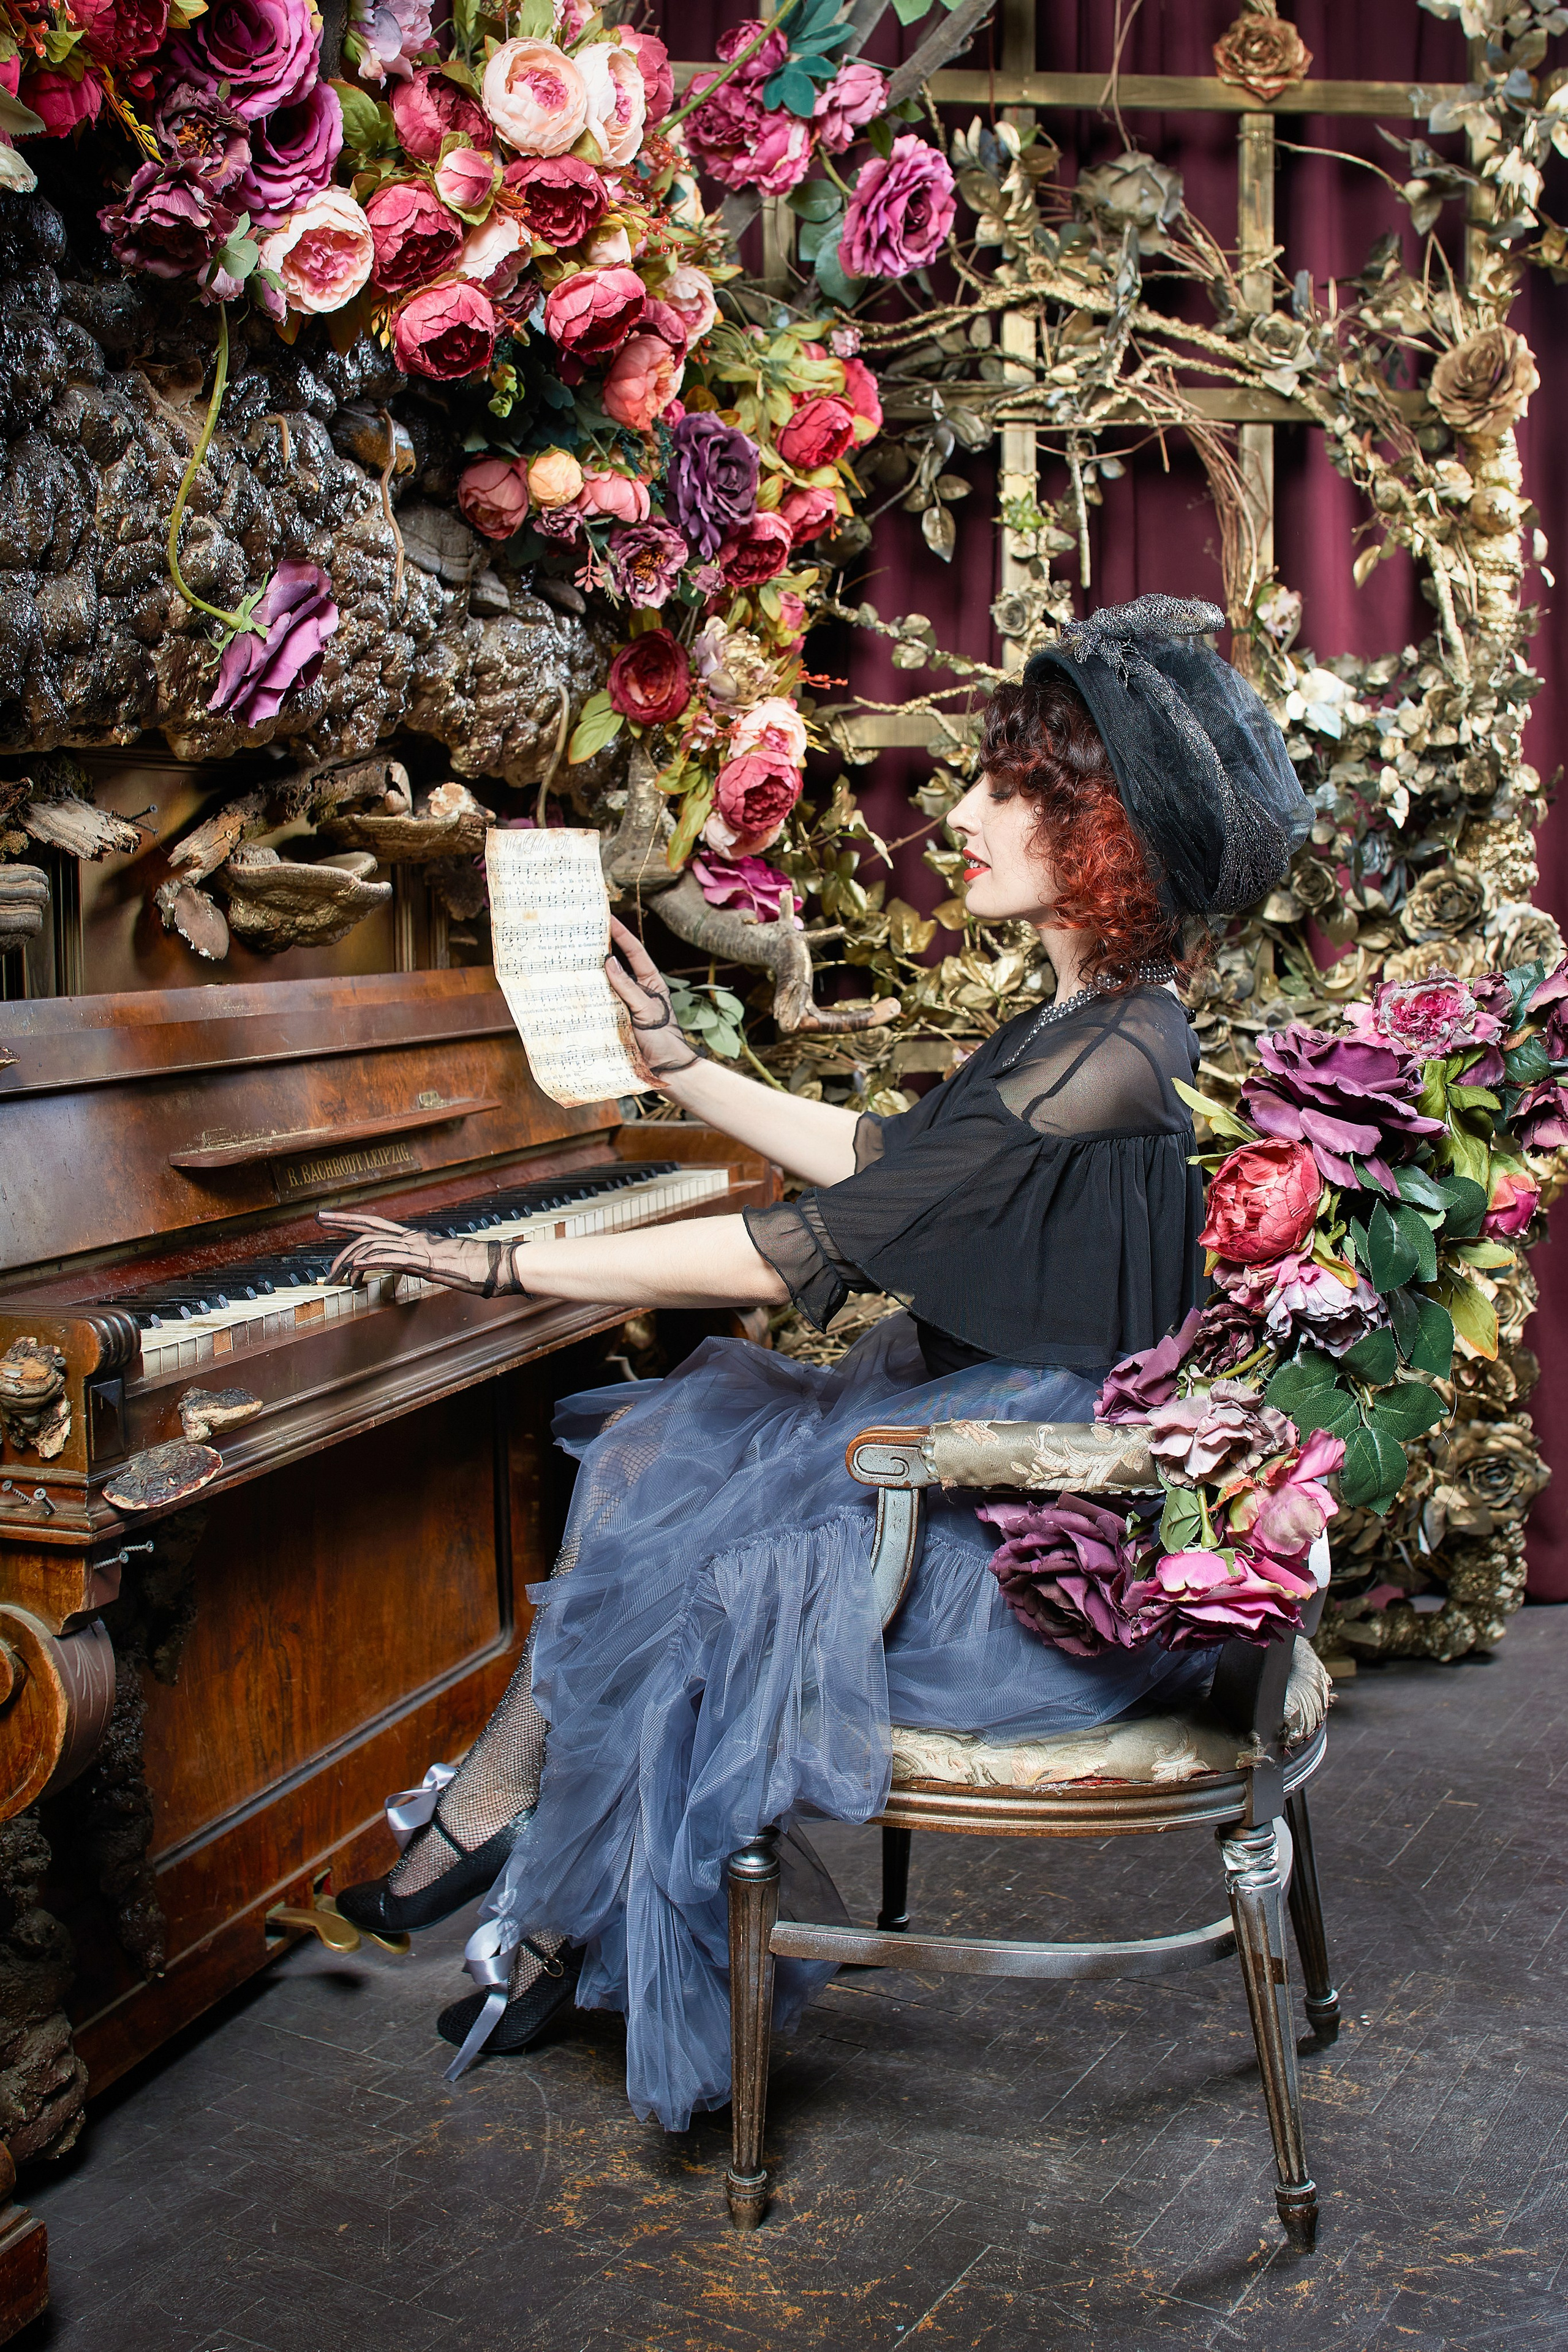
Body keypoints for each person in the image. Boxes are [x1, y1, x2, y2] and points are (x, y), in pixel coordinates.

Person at [320, 594, 1311, 2129]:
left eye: (1005, 789)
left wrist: (500, 1263)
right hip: (965, 1429)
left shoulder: (1118, 1051)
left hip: (1031, 1510)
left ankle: (513, 1845)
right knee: (661, 1463)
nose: (957, 814)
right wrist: (680, 1063)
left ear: (1100, 833)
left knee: (704, 1543)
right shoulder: (1081, 1021)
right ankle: (526, 1864)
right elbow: (886, 1159)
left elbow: (790, 1251)